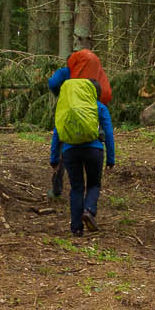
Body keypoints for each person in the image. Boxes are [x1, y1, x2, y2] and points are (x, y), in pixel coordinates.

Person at [48, 48, 116, 236]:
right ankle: (89, 211)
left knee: (77, 187)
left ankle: (76, 228)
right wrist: (111, 158)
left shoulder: (66, 105)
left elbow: (57, 132)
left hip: (70, 150)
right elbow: (108, 132)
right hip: (94, 149)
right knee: (94, 184)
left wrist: (54, 158)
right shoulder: (100, 106)